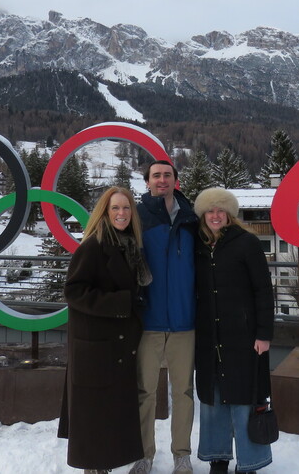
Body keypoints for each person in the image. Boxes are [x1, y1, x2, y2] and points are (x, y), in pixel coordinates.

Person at [59, 187, 152, 474]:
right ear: (104, 212)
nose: (121, 213)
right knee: (95, 412)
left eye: (126, 208)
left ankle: (104, 464)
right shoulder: (93, 245)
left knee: (110, 412)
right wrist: (122, 302)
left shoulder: (130, 246)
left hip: (116, 345)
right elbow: (73, 292)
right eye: (115, 208)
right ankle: (94, 467)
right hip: (97, 344)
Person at [192, 188, 274, 474]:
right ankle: (217, 458)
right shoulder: (198, 245)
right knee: (213, 399)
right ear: (203, 215)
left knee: (244, 399)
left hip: (243, 336)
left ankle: (250, 461)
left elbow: (263, 290)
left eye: (220, 210)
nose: (215, 216)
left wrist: (264, 334)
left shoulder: (247, 243)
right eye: (210, 211)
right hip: (208, 337)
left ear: (229, 214)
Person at [131, 159, 198, 474]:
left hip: (185, 321)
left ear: (176, 180)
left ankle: (181, 455)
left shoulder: (190, 218)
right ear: (147, 182)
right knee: (145, 391)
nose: (161, 180)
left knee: (183, 391)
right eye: (155, 175)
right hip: (149, 322)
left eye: (167, 175)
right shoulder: (137, 217)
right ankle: (144, 455)